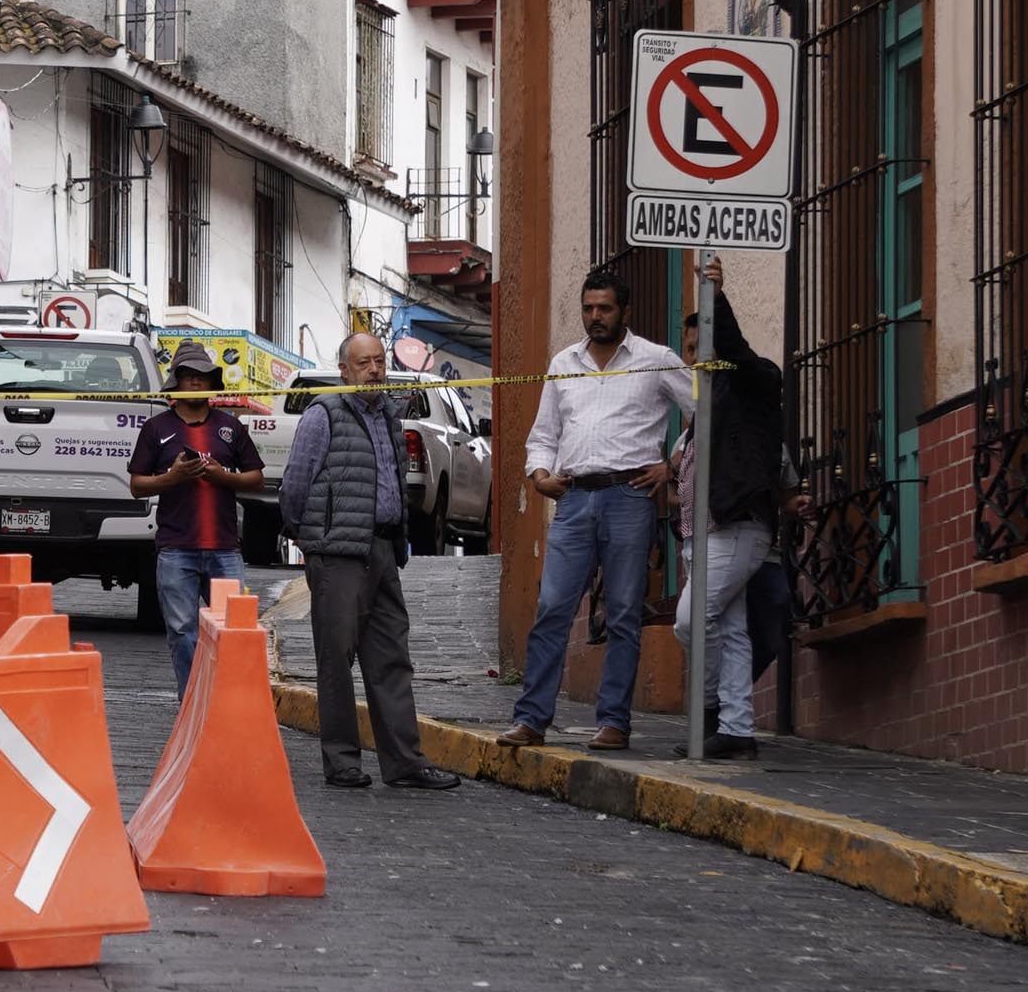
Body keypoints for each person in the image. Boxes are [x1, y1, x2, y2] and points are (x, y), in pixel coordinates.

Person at [500, 267, 694, 753]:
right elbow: (543, 436)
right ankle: (530, 719)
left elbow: (705, 412)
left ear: (623, 311)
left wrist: (671, 466)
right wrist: (541, 477)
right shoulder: (563, 362)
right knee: (552, 609)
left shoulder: (656, 359)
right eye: (588, 308)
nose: (595, 317)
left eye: (604, 308)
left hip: (630, 497)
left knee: (624, 613)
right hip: (573, 498)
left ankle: (614, 722)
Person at [278, 333, 459, 792]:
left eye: (379, 361)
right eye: (363, 363)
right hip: (338, 554)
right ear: (344, 369)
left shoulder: (391, 419)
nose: (374, 370)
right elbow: (295, 484)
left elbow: (395, 483)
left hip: (382, 551)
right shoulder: (324, 415)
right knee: (336, 660)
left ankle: (404, 762)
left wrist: (397, 543)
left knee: (391, 658)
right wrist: (310, 536)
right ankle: (342, 762)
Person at [670, 264, 789, 758]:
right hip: (705, 533)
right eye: (691, 350)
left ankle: (712, 710)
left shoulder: (754, 380)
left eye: (707, 347)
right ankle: (738, 730)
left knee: (690, 621)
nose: (698, 358)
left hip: (736, 526)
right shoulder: (706, 403)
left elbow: (737, 352)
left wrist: (717, 296)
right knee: (731, 630)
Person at [127, 342, 263, 695]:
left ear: (211, 382)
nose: (195, 383)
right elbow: (137, 486)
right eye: (187, 376)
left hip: (225, 549)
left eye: (202, 376)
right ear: (176, 383)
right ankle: (191, 701)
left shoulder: (231, 428)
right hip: (176, 549)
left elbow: (256, 478)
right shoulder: (156, 429)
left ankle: (227, 701)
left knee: (232, 631)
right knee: (182, 633)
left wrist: (222, 477)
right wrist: (172, 478)